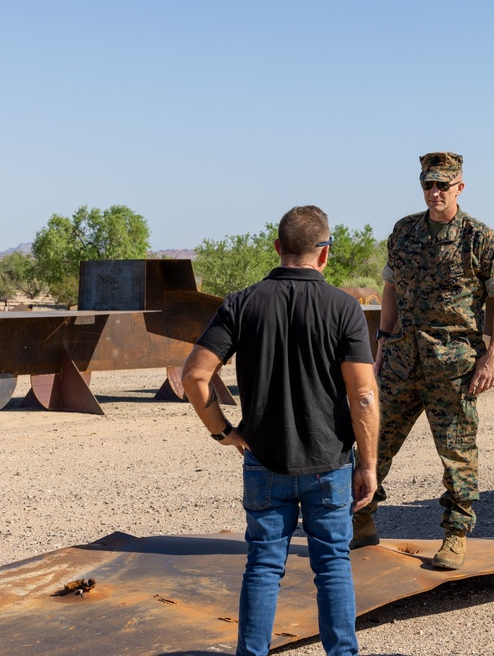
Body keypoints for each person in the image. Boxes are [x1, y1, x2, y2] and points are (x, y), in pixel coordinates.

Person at [182, 205, 379, 656]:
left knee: (264, 567)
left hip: (264, 461)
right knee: (332, 566)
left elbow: (194, 377)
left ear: (277, 248)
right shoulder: (344, 309)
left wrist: (224, 432)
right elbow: (363, 396)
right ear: (324, 253)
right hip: (329, 465)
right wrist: (367, 464)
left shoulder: (240, 303)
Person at [351, 152, 494, 571]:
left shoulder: (481, 239)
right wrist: (383, 340)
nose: (435, 192)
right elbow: (389, 287)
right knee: (373, 441)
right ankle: (361, 519)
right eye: (429, 185)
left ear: (460, 187)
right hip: (402, 359)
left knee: (457, 454)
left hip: (453, 364)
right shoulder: (404, 232)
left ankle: (455, 535)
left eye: (443, 185)